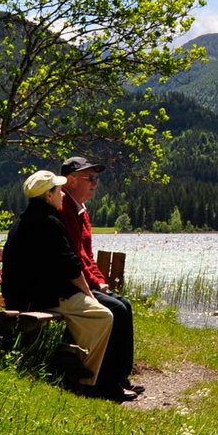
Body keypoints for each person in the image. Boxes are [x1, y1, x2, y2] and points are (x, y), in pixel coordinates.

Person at [2, 170, 132, 401]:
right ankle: (81, 374)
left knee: (107, 311)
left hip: (24, 296)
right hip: (44, 298)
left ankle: (77, 362)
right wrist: (87, 293)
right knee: (103, 315)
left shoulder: (21, 222)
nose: (62, 194)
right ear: (49, 195)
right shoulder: (50, 222)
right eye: (58, 190)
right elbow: (71, 266)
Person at [58, 155, 141, 397]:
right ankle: (107, 383)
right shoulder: (64, 208)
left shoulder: (81, 210)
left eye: (96, 178)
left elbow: (87, 256)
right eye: (90, 178)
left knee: (124, 305)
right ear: (71, 180)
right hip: (70, 287)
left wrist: (100, 281)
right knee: (116, 309)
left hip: (83, 282)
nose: (95, 182)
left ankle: (120, 376)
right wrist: (94, 284)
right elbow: (72, 258)